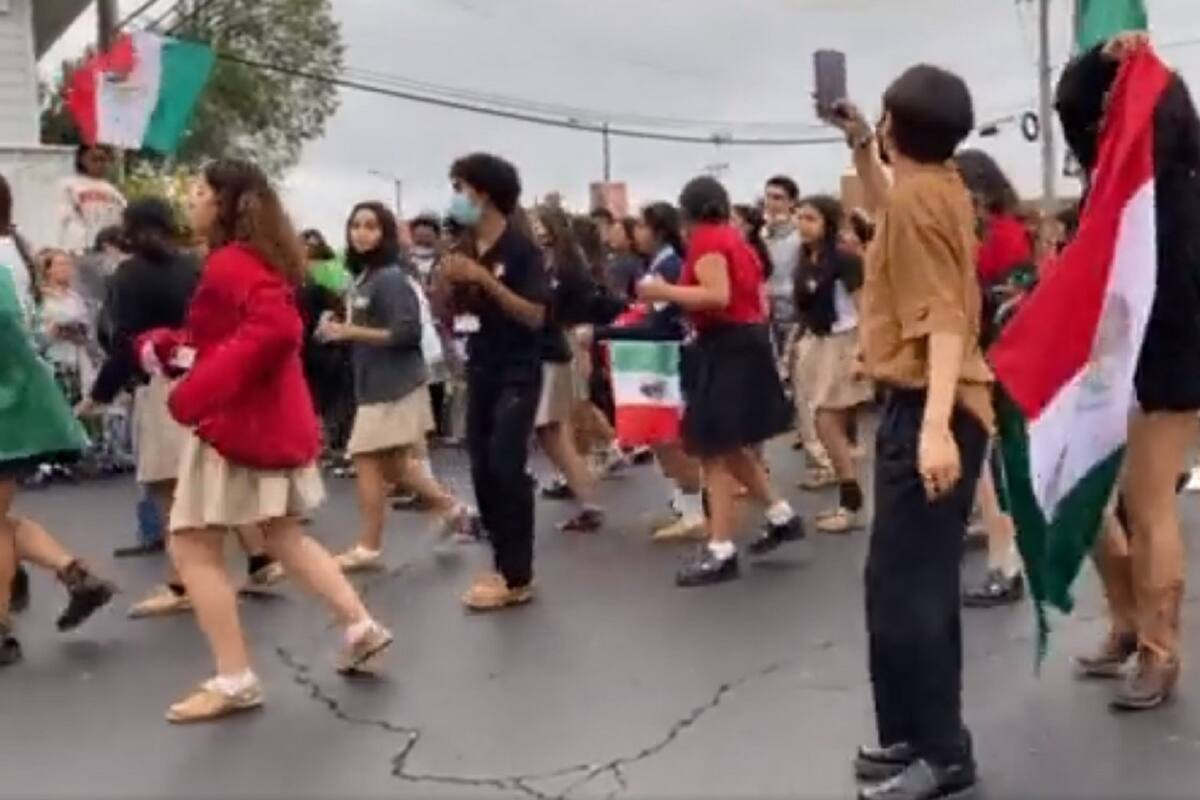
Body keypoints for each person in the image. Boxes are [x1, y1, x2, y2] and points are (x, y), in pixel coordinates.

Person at [139, 159, 391, 723]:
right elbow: (230, 336)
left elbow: (273, 332)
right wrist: (171, 348)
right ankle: (359, 625)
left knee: (193, 547)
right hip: (261, 421)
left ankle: (235, 677)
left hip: (235, 426)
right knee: (280, 534)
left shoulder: (230, 262)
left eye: (200, 192)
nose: (192, 200)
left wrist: (195, 390)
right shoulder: (251, 260)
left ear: (224, 204)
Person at [831, 64, 990, 800]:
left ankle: (942, 752)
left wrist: (934, 431)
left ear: (901, 126)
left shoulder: (926, 202)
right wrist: (861, 143)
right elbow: (887, 204)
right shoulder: (934, 188)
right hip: (923, 402)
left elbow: (946, 320)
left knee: (915, 595)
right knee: (893, 588)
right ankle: (907, 736)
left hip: (932, 403)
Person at [1058, 33, 1200, 711]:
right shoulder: (1111, 186)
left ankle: (1160, 650)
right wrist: (1100, 63)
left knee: (1148, 506)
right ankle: (1126, 622)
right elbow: (1070, 104)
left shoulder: (1178, 198)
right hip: (1108, 360)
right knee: (1083, 499)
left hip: (1170, 361)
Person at [636, 176, 801, 587]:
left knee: (711, 448)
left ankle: (720, 548)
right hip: (743, 341)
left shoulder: (709, 240)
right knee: (729, 446)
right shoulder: (733, 237)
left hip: (727, 344)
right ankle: (781, 515)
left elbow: (716, 295)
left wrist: (664, 290)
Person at [322, 201, 475, 571]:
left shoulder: (390, 277)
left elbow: (406, 332)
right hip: (373, 384)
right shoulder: (364, 277)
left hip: (395, 386)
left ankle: (369, 545)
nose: (361, 232)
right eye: (356, 225)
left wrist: (350, 330)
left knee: (366, 460)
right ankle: (454, 510)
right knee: (397, 464)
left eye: (371, 226)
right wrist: (337, 327)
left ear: (386, 233)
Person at [0, 173, 115, 666]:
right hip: (19, 397)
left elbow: (7, 326)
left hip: (9, 400)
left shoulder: (5, 255)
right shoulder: (14, 250)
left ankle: (1, 627)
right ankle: (73, 574)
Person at [438, 153, 549, 611]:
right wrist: (443, 285)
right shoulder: (462, 249)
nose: (456, 198)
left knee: (507, 465)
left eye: (461, 187)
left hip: (518, 369)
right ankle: (503, 563)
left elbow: (535, 314)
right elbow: (451, 312)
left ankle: (519, 574)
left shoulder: (523, 251)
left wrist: (486, 280)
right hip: (478, 367)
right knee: (481, 468)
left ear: (484, 193)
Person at [953, 149, 1030, 608]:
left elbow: (1002, 304)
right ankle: (1004, 555)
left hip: (998, 360)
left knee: (992, 465)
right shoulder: (1006, 231)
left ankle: (1007, 564)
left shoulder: (1001, 237)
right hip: (996, 357)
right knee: (989, 463)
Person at [792, 195, 873, 534]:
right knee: (820, 419)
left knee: (827, 421)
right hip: (817, 340)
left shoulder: (844, 261)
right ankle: (848, 497)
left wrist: (863, 351)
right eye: (800, 218)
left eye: (810, 218)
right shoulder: (806, 259)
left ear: (827, 222)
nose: (802, 224)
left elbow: (864, 306)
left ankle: (851, 502)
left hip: (844, 342)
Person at [531, 206, 607, 532]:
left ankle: (589, 496)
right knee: (552, 433)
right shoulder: (541, 262)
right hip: (542, 350)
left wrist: (585, 346)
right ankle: (587, 497)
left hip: (555, 350)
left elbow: (583, 306)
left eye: (538, 223)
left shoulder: (565, 266)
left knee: (556, 430)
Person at [59, 144, 126, 255]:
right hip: (78, 248)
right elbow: (65, 216)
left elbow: (121, 217)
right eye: (94, 159)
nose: (100, 164)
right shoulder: (68, 185)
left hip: (106, 248)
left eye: (103, 160)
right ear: (82, 160)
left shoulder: (112, 191)